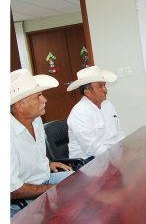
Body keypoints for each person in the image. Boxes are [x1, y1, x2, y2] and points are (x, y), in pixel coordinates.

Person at [10, 69, 73, 217]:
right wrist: (53, 189)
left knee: (81, 181)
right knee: (71, 200)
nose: (44, 100)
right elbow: (12, 190)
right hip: (23, 200)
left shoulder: (36, 120)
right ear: (20, 105)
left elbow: (31, 152)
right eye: (38, 96)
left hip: (44, 180)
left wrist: (48, 163)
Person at [67, 66, 126, 161]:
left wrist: (125, 150)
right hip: (89, 162)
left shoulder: (108, 105)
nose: (105, 90)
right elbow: (93, 147)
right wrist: (116, 160)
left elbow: (119, 133)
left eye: (104, 85)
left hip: (111, 155)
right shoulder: (79, 112)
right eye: (100, 86)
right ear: (87, 92)